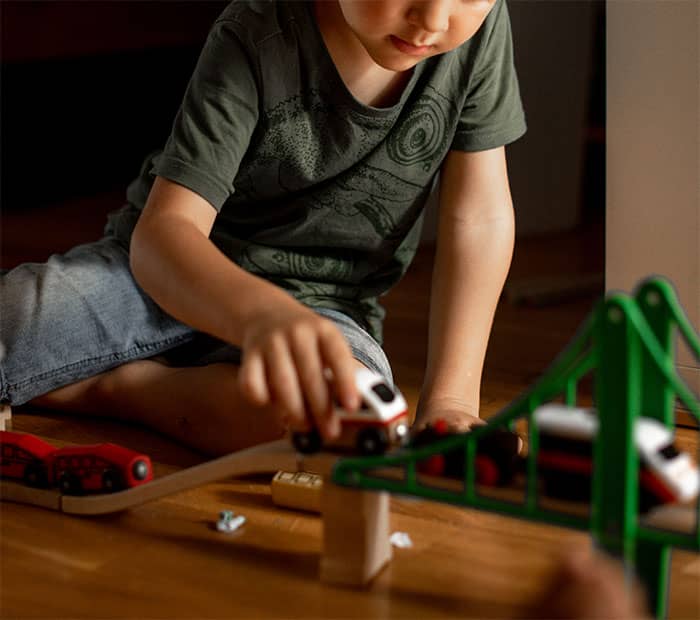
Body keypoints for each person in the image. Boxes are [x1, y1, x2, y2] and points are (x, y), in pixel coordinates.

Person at [0, 0, 526, 456]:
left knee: (352, 415)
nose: (432, 19)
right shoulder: (256, 27)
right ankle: (110, 373)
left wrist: (451, 401)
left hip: (322, 311)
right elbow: (166, 232)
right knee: (16, 312)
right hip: (168, 280)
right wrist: (259, 316)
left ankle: (119, 388)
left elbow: (479, 217)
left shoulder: (479, 36)